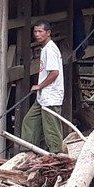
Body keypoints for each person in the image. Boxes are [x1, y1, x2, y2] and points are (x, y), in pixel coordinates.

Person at [23, 21, 68, 153]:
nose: (37, 34)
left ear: (48, 33)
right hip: (43, 96)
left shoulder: (50, 49)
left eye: (40, 32)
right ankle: (28, 151)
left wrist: (39, 86)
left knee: (51, 128)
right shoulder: (45, 48)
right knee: (29, 121)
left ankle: (57, 154)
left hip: (51, 95)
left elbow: (55, 72)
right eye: (35, 32)